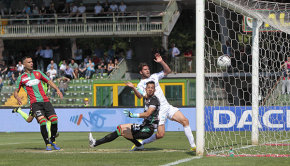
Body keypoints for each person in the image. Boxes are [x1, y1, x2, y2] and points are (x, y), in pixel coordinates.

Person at [126, 53, 196, 151]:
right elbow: (140, 96)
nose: (148, 70)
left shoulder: (154, 76)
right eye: (145, 69)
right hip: (158, 111)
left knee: (185, 121)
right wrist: (134, 88)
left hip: (167, 106)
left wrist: (161, 62)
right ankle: (141, 143)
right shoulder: (140, 85)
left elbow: (168, 71)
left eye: (148, 69)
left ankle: (193, 146)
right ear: (141, 72)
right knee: (160, 134)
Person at [89, 81, 160, 149]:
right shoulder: (148, 97)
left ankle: (95, 143)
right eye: (149, 87)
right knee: (120, 128)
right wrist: (133, 87)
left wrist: (132, 115)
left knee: (121, 131)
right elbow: (140, 96)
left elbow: (147, 114)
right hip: (144, 126)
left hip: (148, 129)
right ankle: (138, 145)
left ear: (155, 90)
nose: (150, 89)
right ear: (146, 89)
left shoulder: (154, 100)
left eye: (152, 88)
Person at [14, 56, 63, 151]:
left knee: (54, 120)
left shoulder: (38, 73)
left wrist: (57, 89)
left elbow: (49, 81)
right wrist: (17, 96)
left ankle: (53, 140)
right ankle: (47, 143)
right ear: (24, 65)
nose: (31, 63)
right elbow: (16, 91)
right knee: (42, 121)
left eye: (32, 62)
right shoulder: (21, 78)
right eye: (29, 62)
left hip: (46, 101)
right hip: (35, 103)